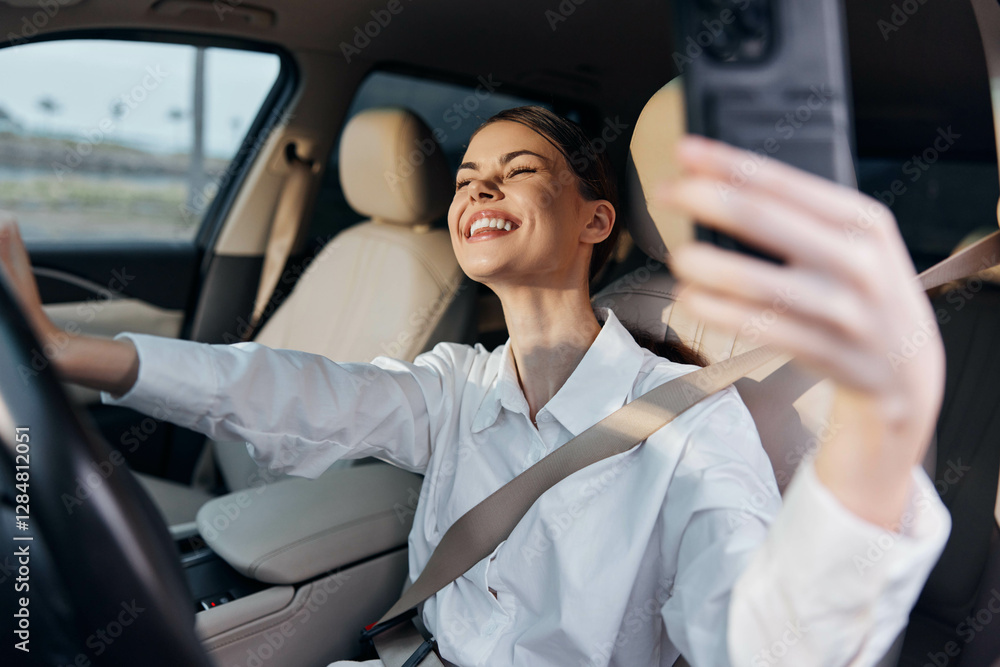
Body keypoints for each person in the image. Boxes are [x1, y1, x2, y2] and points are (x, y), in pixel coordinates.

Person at [0, 106, 950, 666]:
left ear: (595, 219)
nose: (477, 192)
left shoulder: (690, 432)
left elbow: (760, 648)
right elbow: (290, 389)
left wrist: (879, 444)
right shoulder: (458, 384)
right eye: (465, 178)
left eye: (518, 171)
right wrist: (76, 353)